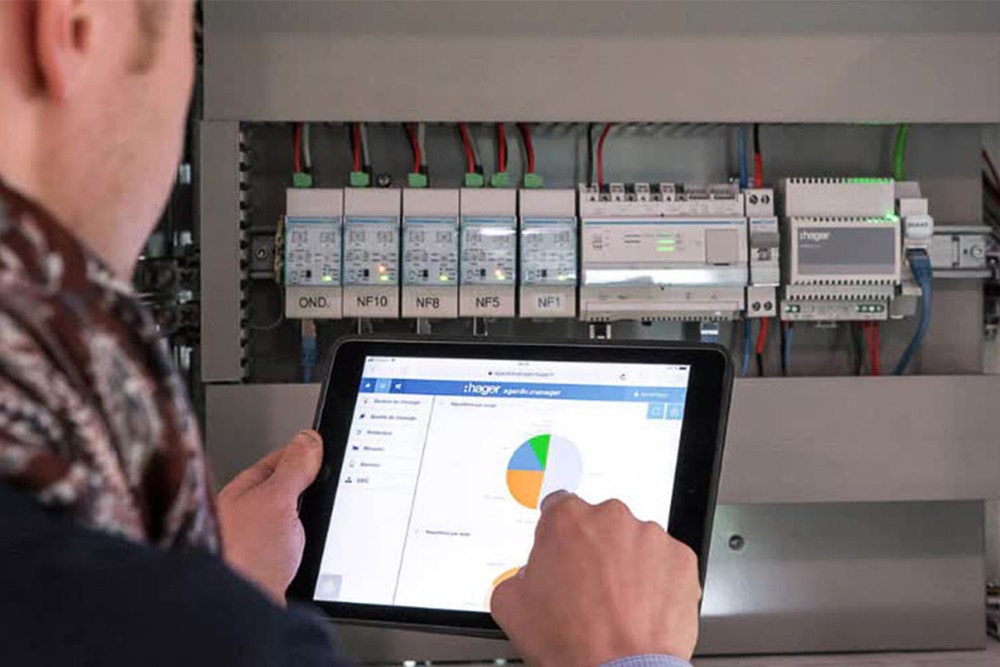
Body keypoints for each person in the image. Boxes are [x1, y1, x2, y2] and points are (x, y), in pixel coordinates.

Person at [0, 1, 702, 666]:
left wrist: (226, 588)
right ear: (78, 26)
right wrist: (624, 652)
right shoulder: (134, 611)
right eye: (191, 35)